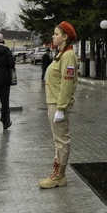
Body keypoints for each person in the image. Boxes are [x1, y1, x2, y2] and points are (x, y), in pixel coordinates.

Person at [41, 21, 78, 189]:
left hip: (58, 104)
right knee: (58, 140)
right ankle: (57, 173)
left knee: (61, 140)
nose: (53, 36)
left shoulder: (68, 56)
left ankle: (59, 176)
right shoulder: (61, 54)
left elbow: (67, 84)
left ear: (65, 37)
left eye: (56, 34)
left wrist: (61, 108)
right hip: (54, 102)